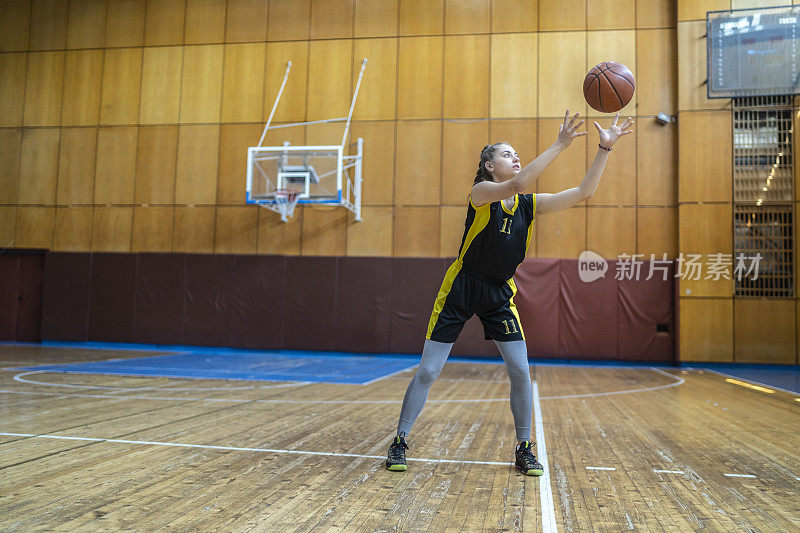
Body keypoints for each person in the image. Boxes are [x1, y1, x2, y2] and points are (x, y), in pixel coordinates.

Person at [385, 111, 635, 475]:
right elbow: (518, 184)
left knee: (520, 369)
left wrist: (604, 148)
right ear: (489, 165)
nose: (515, 158)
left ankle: (523, 447)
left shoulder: (529, 207)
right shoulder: (481, 194)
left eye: (517, 154)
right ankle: (400, 441)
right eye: (507, 155)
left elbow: (584, 192)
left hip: (499, 292)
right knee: (428, 371)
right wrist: (561, 144)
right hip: (462, 285)